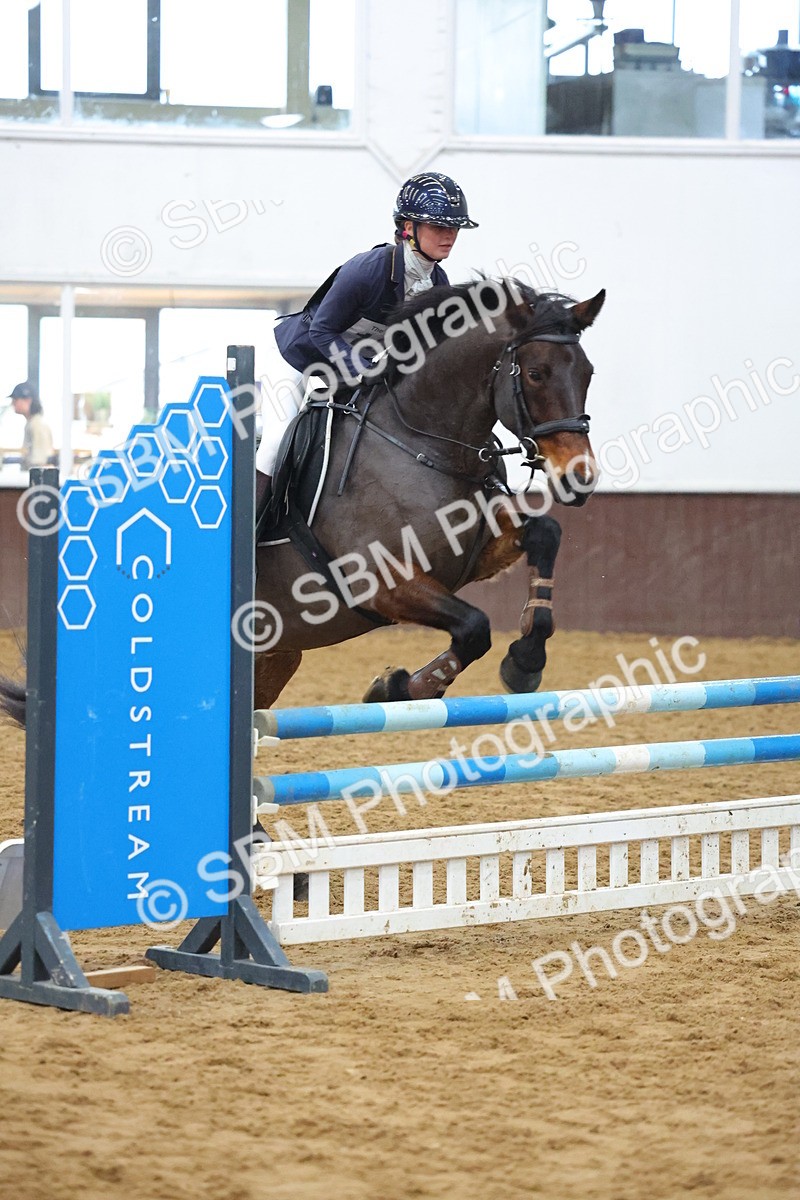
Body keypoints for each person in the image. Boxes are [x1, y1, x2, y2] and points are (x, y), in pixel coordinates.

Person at [255, 172, 479, 510]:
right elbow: (321, 331)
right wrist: (363, 368)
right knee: (275, 443)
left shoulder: (439, 284)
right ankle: (245, 544)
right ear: (407, 228)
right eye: (438, 226)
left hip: (347, 370)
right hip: (297, 358)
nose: (449, 236)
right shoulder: (368, 269)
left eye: (454, 228)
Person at [8, 381, 55, 470]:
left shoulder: (37, 425)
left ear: (28, 400)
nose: (12, 404)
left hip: (35, 478)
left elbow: (40, 461)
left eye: (15, 400)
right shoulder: (32, 423)